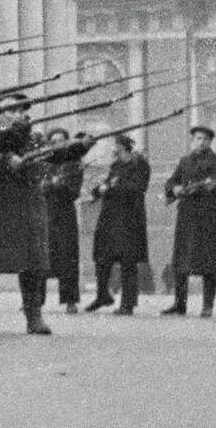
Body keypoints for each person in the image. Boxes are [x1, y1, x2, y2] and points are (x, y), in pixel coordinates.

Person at [0, 95, 54, 335]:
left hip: (27, 200)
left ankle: (34, 315)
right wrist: (4, 161)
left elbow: (44, 163)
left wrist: (28, 164)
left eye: (20, 109)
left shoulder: (34, 137)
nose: (16, 114)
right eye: (10, 109)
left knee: (33, 260)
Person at [162, 124, 216, 317]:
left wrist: (201, 188)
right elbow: (171, 181)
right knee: (181, 262)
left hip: (207, 216)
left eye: (205, 139)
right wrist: (174, 189)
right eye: (198, 138)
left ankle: (207, 306)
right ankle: (179, 304)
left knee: (209, 263)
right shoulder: (185, 161)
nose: (201, 142)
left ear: (210, 142)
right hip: (187, 215)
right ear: (193, 140)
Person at [85, 132, 150, 315]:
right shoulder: (116, 165)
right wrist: (97, 190)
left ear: (121, 146)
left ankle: (127, 304)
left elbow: (138, 188)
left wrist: (111, 187)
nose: (111, 148)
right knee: (102, 257)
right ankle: (102, 295)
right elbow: (105, 186)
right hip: (110, 217)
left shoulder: (139, 165)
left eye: (113, 145)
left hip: (129, 219)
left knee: (128, 261)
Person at [39, 127, 85, 313]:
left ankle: (70, 301)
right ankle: (36, 301)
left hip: (65, 215)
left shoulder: (74, 163)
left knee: (68, 258)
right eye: (53, 141)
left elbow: (72, 190)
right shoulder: (44, 162)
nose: (57, 144)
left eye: (61, 141)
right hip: (46, 214)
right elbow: (38, 186)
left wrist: (51, 185)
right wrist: (53, 184)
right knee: (41, 258)